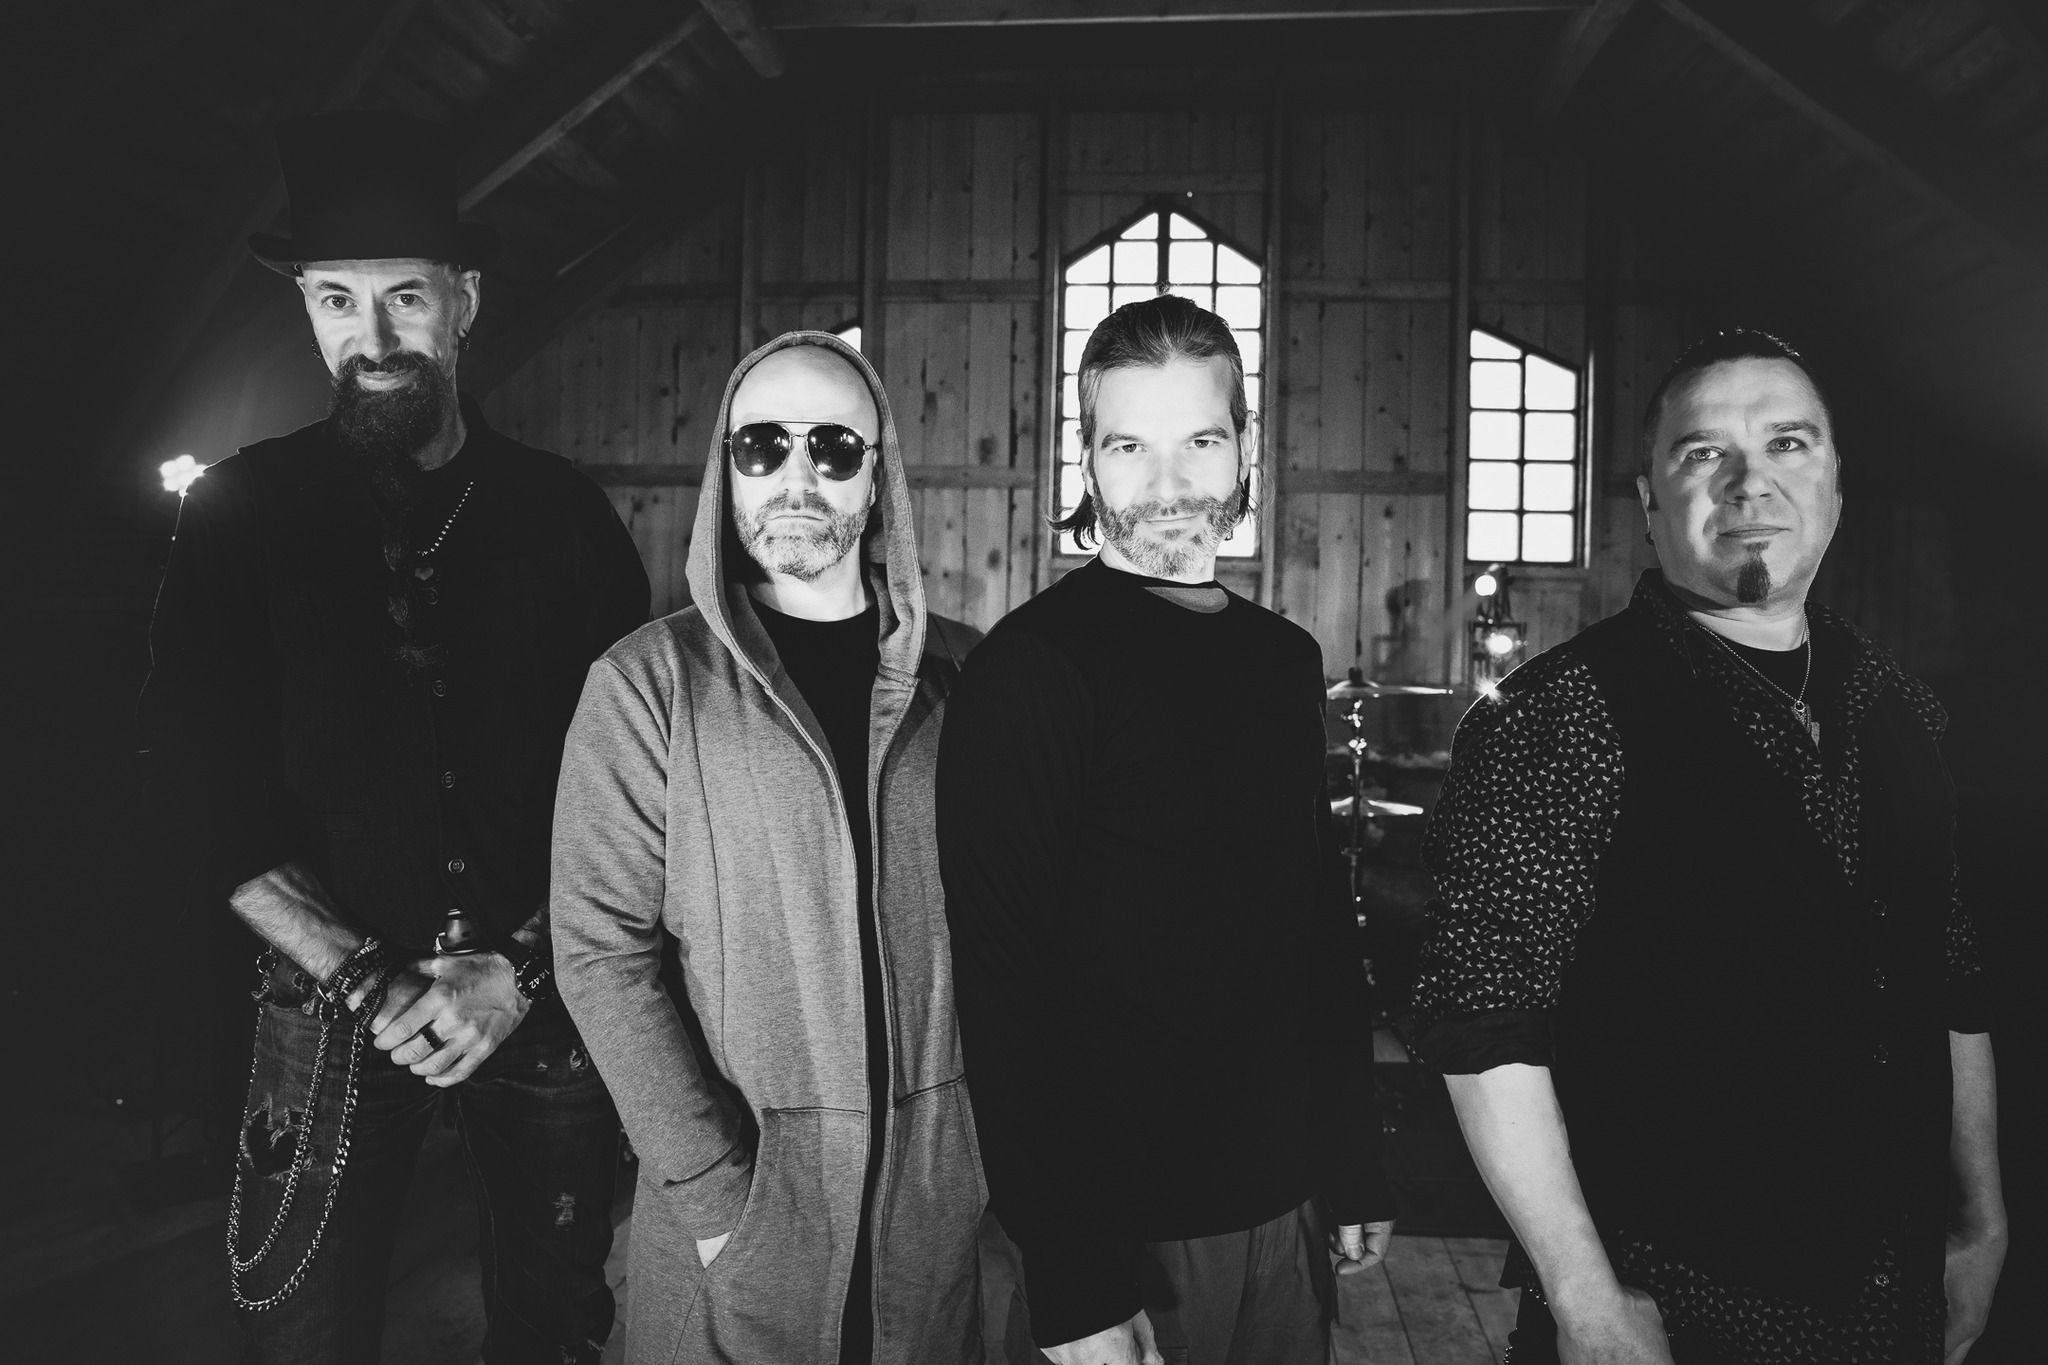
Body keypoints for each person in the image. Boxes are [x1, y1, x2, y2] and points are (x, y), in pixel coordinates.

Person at [140, 111, 650, 1363]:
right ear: (307, 308)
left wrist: (516, 970)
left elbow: (634, 796)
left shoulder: (563, 516)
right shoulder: (236, 512)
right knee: (301, 1340)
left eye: (404, 298)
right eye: (335, 300)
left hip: (540, 1002)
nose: (369, 339)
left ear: (463, 302)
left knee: (557, 1333)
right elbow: (198, 795)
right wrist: (369, 980)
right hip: (322, 1012)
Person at [1411, 329, 2005, 1364]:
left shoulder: (1899, 708)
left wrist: (1981, 1220)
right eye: (1703, 452)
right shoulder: (1560, 716)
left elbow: (1948, 978)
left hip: (1894, 1286)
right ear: (1649, 502)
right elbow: (1480, 1021)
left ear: (1833, 483)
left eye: (1787, 443)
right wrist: (1586, 1301)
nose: (1748, 482)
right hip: (1673, 1299)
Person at [936, 294, 1396, 1365]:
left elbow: (1318, 926)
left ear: (1245, 451)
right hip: (1124, 1225)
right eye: (1128, 445)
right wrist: (1072, 1276)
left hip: (1283, 1199)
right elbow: (1000, 986)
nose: (1168, 481)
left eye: (1199, 440)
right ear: (1087, 463)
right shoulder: (1032, 669)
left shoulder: (1281, 659)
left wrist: (1350, 1155)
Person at [550, 332, 987, 1364]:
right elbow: (598, 952)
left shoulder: (969, 678)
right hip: (737, 1231)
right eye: (763, 445)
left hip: (934, 1225)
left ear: (877, 477)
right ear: (726, 466)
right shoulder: (646, 684)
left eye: (833, 447)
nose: (798, 475)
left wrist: (978, 1168)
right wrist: (714, 1197)